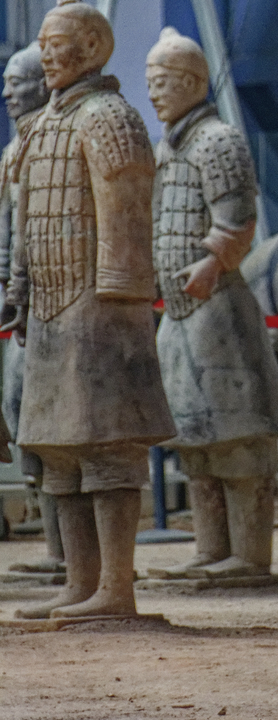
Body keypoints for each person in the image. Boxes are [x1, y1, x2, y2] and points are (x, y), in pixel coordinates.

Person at [6, 0, 175, 619]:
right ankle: (81, 583)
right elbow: (24, 222)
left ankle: (116, 589)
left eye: (61, 42)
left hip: (98, 308)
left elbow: (124, 215)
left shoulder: (110, 117)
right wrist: (21, 289)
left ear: (97, 48)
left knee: (107, 449)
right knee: (59, 451)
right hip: (50, 307)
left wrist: (120, 293)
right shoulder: (41, 126)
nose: (49, 53)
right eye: (45, 43)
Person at [144, 28, 278, 581]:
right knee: (195, 440)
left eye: (162, 83)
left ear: (191, 82)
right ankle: (211, 550)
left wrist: (212, 262)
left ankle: (250, 556)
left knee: (237, 441)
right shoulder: (169, 146)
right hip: (179, 313)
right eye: (150, 84)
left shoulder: (219, 140)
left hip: (217, 310)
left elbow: (238, 218)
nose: (155, 94)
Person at [0, 43, 53, 577]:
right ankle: (56, 551)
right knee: (26, 425)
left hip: (48, 305)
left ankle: (67, 557)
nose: (7, 93)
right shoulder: (14, 149)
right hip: (19, 309)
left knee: (55, 432)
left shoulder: (49, 141)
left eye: (17, 82)